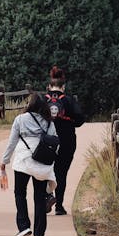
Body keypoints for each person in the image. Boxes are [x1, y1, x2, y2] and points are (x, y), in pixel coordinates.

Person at [0, 92, 58, 236]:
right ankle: (39, 234)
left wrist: (4, 160)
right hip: (41, 162)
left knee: (20, 193)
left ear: (30, 104)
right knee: (40, 197)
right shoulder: (49, 122)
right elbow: (55, 143)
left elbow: (12, 142)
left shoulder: (20, 119)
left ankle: (24, 226)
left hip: (23, 160)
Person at [44, 66, 86, 215]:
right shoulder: (69, 101)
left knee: (44, 171)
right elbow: (80, 119)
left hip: (46, 142)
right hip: (66, 141)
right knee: (61, 173)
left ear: (49, 86)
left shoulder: (43, 100)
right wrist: (68, 122)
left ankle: (46, 197)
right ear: (63, 86)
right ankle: (59, 206)